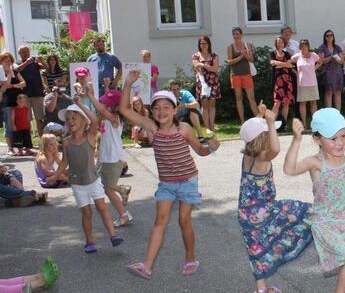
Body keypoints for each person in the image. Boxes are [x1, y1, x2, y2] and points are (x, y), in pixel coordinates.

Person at [121, 73, 220, 279]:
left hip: (188, 181)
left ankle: (191, 258)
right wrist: (128, 84)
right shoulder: (152, 127)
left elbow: (200, 151)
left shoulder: (183, 128)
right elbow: (124, 110)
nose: (161, 111)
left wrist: (210, 148)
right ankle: (147, 266)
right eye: (157, 108)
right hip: (166, 183)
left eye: (166, 107)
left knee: (184, 221)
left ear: (175, 109)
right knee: (160, 221)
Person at [283, 109, 345, 293]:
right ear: (317, 139)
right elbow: (289, 169)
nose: (340, 143)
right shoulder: (315, 163)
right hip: (326, 223)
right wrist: (296, 141)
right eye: (333, 139)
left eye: (343, 136)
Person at [237, 104, 312, 293]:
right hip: (265, 210)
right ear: (264, 139)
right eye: (270, 132)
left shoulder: (248, 155)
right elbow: (276, 149)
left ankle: (261, 289)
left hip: (246, 214)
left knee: (256, 249)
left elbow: (251, 132)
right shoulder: (263, 157)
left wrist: (262, 117)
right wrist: (269, 123)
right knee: (306, 211)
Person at [48, 102, 123, 253]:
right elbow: (64, 161)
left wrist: (80, 104)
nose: (70, 121)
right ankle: (90, 242)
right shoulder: (67, 141)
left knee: (102, 208)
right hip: (77, 184)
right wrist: (56, 175)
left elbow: (95, 121)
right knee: (86, 212)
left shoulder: (90, 136)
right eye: (68, 119)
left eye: (74, 118)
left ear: (84, 120)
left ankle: (113, 236)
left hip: (93, 181)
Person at [84, 87, 133, 227]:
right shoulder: (109, 119)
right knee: (105, 186)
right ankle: (123, 190)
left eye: (107, 103)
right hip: (106, 159)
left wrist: (90, 95)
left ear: (115, 106)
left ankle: (124, 214)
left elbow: (102, 110)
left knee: (108, 189)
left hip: (112, 160)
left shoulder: (114, 118)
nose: (104, 104)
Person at [227, 28, 259, 125]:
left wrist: (245, 55)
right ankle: (242, 121)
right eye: (234, 34)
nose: (235, 36)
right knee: (239, 98)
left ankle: (258, 119)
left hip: (246, 74)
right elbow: (229, 61)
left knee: (251, 98)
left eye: (237, 34)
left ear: (241, 35)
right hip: (235, 75)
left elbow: (251, 59)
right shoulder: (230, 47)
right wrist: (240, 56)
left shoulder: (247, 45)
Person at [15, 45, 46, 136]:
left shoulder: (34, 62)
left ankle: (42, 141)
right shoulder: (17, 62)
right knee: (26, 119)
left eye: (27, 51)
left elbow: (46, 67)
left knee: (40, 119)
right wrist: (26, 63)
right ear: (19, 54)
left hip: (37, 93)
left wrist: (42, 60)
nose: (26, 53)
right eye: (23, 52)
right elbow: (16, 70)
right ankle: (28, 142)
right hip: (25, 95)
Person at [193, 35, 222, 131]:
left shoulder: (214, 56)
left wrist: (203, 64)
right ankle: (207, 127)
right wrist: (204, 66)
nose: (203, 45)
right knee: (204, 105)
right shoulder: (196, 56)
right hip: (202, 82)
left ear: (209, 44)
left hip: (213, 81)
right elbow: (196, 67)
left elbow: (215, 69)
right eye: (201, 43)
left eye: (205, 43)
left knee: (212, 105)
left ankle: (212, 125)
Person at [1, 51, 26, 156]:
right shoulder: (1, 73)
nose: (8, 63)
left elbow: (24, 83)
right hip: (7, 103)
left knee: (19, 124)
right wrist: (10, 76)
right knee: (9, 125)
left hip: (18, 102)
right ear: (1, 62)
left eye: (10, 61)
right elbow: (5, 86)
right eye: (6, 61)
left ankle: (20, 146)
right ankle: (10, 148)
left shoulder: (15, 71)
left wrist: (15, 86)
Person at [291, 39, 321, 128]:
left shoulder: (313, 55)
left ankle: (314, 122)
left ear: (308, 46)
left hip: (312, 82)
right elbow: (289, 63)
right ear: (300, 47)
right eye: (302, 45)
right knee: (302, 103)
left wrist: (315, 68)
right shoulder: (297, 56)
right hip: (302, 83)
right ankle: (304, 123)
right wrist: (295, 72)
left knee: (313, 103)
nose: (304, 47)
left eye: (305, 45)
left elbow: (320, 62)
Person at [269, 36, 295, 129]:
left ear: (284, 44)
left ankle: (283, 125)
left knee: (286, 103)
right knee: (277, 103)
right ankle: (271, 125)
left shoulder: (287, 54)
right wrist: (285, 64)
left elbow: (291, 65)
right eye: (278, 42)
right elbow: (272, 63)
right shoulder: (272, 53)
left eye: (282, 42)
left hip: (287, 81)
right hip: (277, 81)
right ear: (276, 43)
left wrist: (279, 64)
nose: (280, 44)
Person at [316, 30, 344, 111]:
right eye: (327, 35)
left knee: (338, 92)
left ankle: (338, 113)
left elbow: (342, 61)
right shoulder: (322, 47)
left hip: (337, 72)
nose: (329, 37)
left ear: (333, 36)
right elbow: (320, 61)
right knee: (329, 92)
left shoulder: (337, 47)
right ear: (325, 37)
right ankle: (329, 113)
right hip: (327, 72)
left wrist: (338, 59)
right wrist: (330, 58)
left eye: (331, 35)